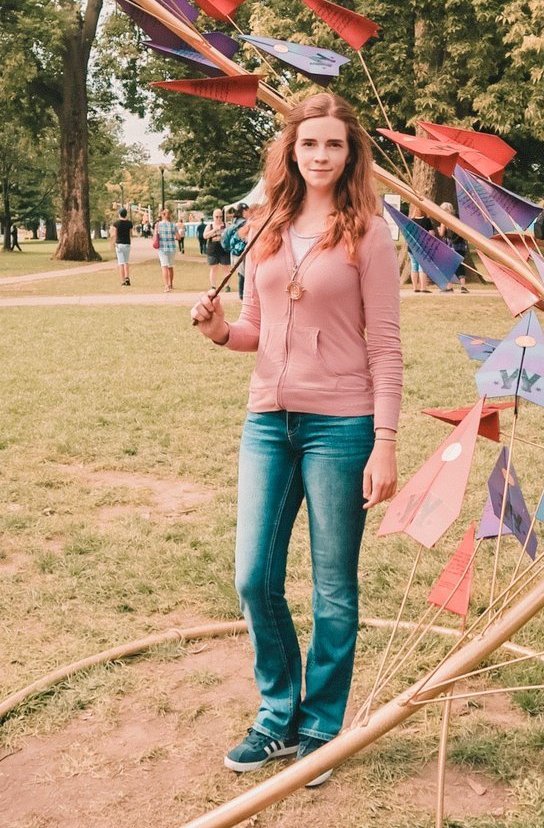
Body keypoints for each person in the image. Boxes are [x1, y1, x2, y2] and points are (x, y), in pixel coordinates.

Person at [191, 93, 402, 785]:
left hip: (342, 426)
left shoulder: (370, 233)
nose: (319, 155)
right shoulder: (266, 227)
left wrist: (386, 439)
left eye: (332, 145)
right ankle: (279, 715)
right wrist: (221, 331)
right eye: (308, 144)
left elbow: (387, 345)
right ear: (290, 150)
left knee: (334, 588)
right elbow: (253, 326)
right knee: (253, 578)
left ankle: (319, 729)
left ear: (350, 154)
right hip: (267, 422)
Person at [436, 202, 469, 293]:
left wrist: (439, 229)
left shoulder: (444, 220)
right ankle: (463, 287)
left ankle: (449, 287)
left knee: (448, 266)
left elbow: (442, 233)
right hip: (461, 245)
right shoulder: (458, 218)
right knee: (460, 265)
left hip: (449, 246)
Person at [222, 202, 250, 299]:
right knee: (244, 275)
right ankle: (243, 295)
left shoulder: (233, 223)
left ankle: (241, 295)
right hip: (242, 252)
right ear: (244, 211)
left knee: (240, 274)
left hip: (233, 253)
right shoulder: (245, 223)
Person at [203, 208, 231, 289]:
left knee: (226, 268)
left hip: (224, 249)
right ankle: (213, 286)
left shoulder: (226, 225)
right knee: (213, 268)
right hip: (213, 249)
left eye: (220, 217)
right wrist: (214, 230)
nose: (219, 219)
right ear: (213, 217)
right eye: (217, 217)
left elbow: (230, 235)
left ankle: (227, 285)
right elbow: (205, 236)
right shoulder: (210, 226)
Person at [407, 206, 433, 292]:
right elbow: (431, 234)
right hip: (423, 247)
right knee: (422, 267)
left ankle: (415, 287)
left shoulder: (411, 221)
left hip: (412, 247)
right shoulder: (427, 221)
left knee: (414, 266)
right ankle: (423, 287)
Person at [154, 207, 177, 292]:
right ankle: (171, 283)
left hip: (162, 248)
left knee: (164, 266)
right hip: (172, 248)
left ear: (162, 215)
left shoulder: (158, 225)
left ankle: (166, 285)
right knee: (170, 267)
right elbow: (178, 237)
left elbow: (155, 236)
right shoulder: (173, 225)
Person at [111, 206, 133, 286]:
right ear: (126, 214)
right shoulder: (129, 223)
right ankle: (127, 277)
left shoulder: (116, 223)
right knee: (126, 262)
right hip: (127, 244)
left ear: (119, 214)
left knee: (121, 263)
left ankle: (123, 280)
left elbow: (114, 234)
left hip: (119, 244)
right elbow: (131, 234)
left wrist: (113, 243)